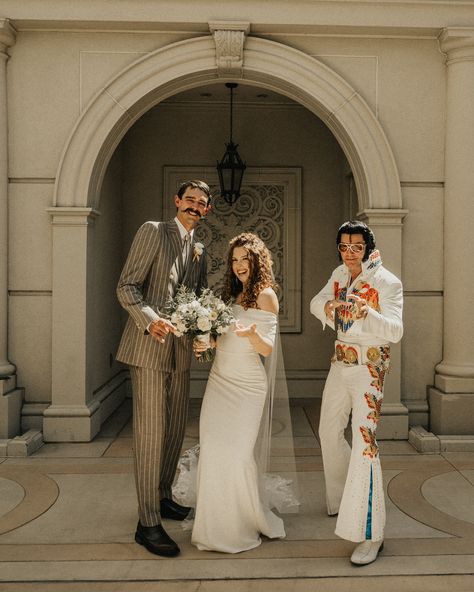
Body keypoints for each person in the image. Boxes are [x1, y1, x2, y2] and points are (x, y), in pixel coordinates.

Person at [116, 180, 211, 557]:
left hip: (181, 352)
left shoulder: (199, 249)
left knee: (173, 432)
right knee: (151, 434)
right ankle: (148, 522)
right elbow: (126, 286)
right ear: (176, 201)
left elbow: (199, 298)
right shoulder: (153, 231)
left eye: (202, 203)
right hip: (148, 347)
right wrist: (149, 319)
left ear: (207, 210)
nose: (194, 206)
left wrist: (209, 326)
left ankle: (164, 497)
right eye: (189, 199)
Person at [310, 220, 403, 566]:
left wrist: (370, 313)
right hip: (340, 364)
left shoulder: (387, 282)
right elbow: (316, 302)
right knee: (327, 431)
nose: (350, 253)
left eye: (356, 247)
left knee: (365, 445)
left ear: (368, 248)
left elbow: (396, 330)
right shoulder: (339, 274)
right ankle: (343, 499)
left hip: (369, 370)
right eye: (345, 246)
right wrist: (327, 308)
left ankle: (371, 534)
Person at [191, 233, 289, 553]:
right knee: (214, 448)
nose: (238, 265)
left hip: (247, 386)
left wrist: (250, 335)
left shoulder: (266, 296)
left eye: (245, 259)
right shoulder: (232, 295)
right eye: (234, 260)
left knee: (235, 455)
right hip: (219, 381)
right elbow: (221, 339)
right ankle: (212, 527)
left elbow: (267, 347)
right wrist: (206, 344)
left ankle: (239, 525)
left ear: (257, 260)